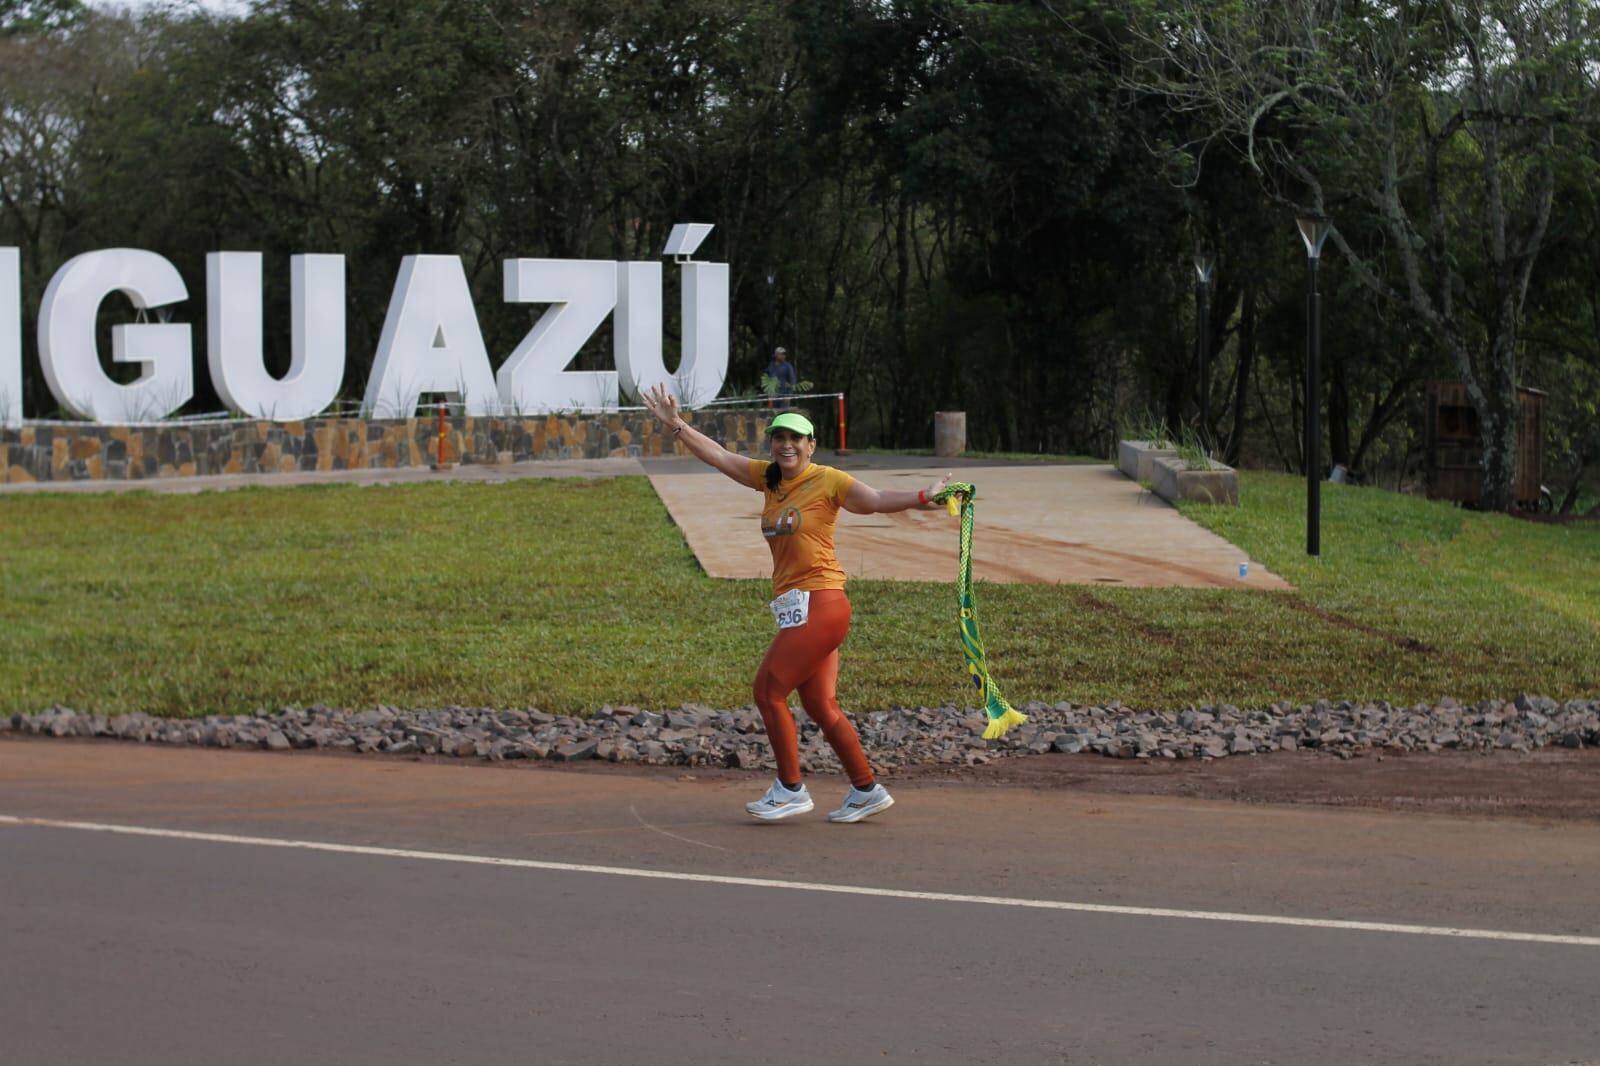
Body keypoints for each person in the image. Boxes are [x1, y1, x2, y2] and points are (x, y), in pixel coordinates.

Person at [641, 383, 951, 823]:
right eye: (779, 438)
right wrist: (676, 425)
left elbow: (877, 501)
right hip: (800, 608)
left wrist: (925, 497)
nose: (786, 445)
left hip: (822, 603)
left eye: (795, 439)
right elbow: (720, 457)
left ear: (811, 446)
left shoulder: (828, 480)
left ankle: (790, 788)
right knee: (820, 705)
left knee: (768, 690)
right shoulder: (769, 480)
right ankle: (866, 788)